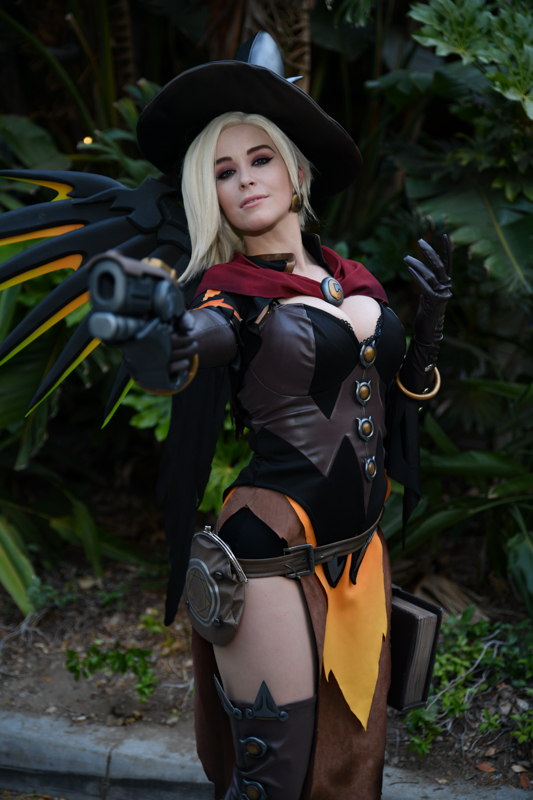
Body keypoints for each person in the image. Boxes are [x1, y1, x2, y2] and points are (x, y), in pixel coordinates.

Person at [132, 31, 452, 800]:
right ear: (210, 193)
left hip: (359, 552)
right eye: (223, 170)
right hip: (272, 555)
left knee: (351, 770)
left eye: (260, 158)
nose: (245, 179)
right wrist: (163, 337)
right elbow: (199, 338)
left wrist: (427, 333)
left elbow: (392, 403)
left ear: (296, 169)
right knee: (273, 779)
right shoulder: (229, 295)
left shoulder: (348, 277)